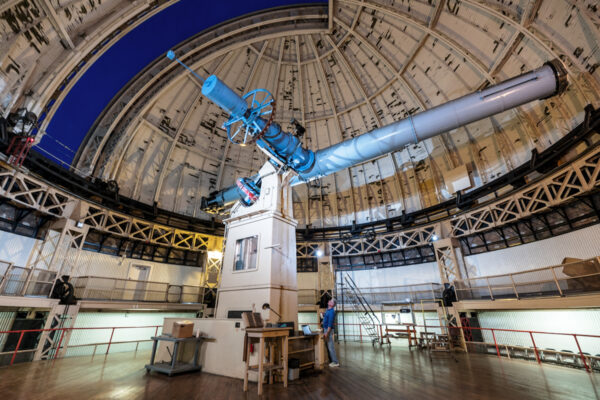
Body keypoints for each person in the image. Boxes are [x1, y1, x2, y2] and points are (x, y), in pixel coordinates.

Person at [323, 298, 339, 367]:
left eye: (331, 301)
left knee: (330, 347)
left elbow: (330, 324)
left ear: (332, 304)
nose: (329, 301)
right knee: (328, 346)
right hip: (325, 329)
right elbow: (326, 318)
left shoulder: (332, 312)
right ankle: (331, 360)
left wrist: (327, 333)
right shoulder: (328, 310)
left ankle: (335, 362)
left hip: (328, 330)